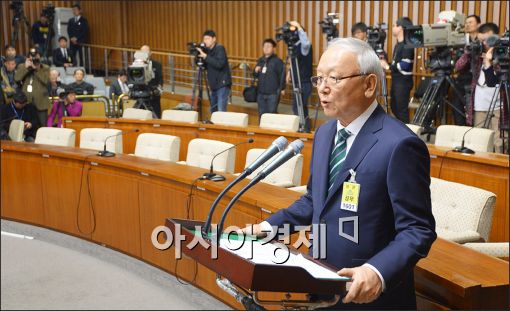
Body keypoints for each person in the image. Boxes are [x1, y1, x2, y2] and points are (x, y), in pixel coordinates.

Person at [244, 38, 436, 309]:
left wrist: (376, 271)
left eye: (334, 78)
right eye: (319, 77)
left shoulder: (400, 144)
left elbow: (418, 229)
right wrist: (265, 229)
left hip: (369, 298)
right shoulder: (325, 133)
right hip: (320, 282)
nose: (322, 88)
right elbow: (314, 201)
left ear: (369, 84)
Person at [455, 22, 508, 153]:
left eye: (488, 40)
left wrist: (492, 59)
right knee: (480, 142)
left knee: (500, 143)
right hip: (480, 105)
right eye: (481, 40)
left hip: (499, 106)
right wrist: (468, 52)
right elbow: (458, 67)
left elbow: (500, 76)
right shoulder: (476, 55)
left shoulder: (503, 52)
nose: (485, 44)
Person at [380, 17, 414, 124]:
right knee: (394, 107)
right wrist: (387, 63)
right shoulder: (398, 45)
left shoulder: (408, 45)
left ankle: (407, 134)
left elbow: (405, 65)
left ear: (401, 28)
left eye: (395, 25)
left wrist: (387, 67)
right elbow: (396, 64)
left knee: (401, 110)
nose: (393, 28)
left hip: (403, 82)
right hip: (396, 81)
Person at [451, 14, 481, 126]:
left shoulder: (482, 40)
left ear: (478, 24)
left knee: (472, 110)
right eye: (466, 22)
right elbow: (457, 62)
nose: (467, 24)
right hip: (461, 78)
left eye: (471, 22)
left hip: (476, 81)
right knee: (457, 107)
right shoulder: (461, 40)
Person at [285, 21, 313, 132]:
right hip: (297, 81)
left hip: (304, 82)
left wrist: (299, 27)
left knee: (300, 106)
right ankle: (303, 128)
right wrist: (289, 72)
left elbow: (306, 43)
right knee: (298, 107)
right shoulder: (295, 47)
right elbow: (294, 61)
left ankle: (304, 128)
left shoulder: (304, 47)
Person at [196, 30, 232, 113]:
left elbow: (219, 64)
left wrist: (205, 56)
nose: (205, 41)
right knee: (213, 110)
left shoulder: (220, 48)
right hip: (213, 86)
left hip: (222, 84)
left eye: (208, 39)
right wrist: (198, 56)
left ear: (214, 39)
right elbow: (204, 66)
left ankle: (222, 125)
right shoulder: (207, 51)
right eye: (204, 39)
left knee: (221, 110)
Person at [14, 48, 50, 127]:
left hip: (41, 102)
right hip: (26, 102)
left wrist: (36, 69)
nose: (34, 58)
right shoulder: (22, 66)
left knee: (42, 126)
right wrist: (26, 68)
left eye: (36, 55)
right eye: (31, 56)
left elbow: (46, 81)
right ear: (28, 57)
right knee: (27, 125)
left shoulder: (45, 67)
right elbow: (17, 78)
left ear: (39, 57)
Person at [254, 38, 285, 117]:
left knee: (271, 115)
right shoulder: (260, 60)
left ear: (273, 48)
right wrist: (255, 71)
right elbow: (255, 75)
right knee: (261, 114)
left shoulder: (278, 61)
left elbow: (282, 75)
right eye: (264, 46)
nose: (266, 48)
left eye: (268, 46)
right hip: (260, 93)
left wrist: (282, 88)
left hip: (273, 94)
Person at [140, 45, 163, 118]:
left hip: (154, 96)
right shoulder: (136, 65)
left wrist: (159, 88)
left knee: (156, 117)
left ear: (150, 53)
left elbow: (160, 79)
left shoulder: (157, 64)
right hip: (141, 96)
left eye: (146, 52)